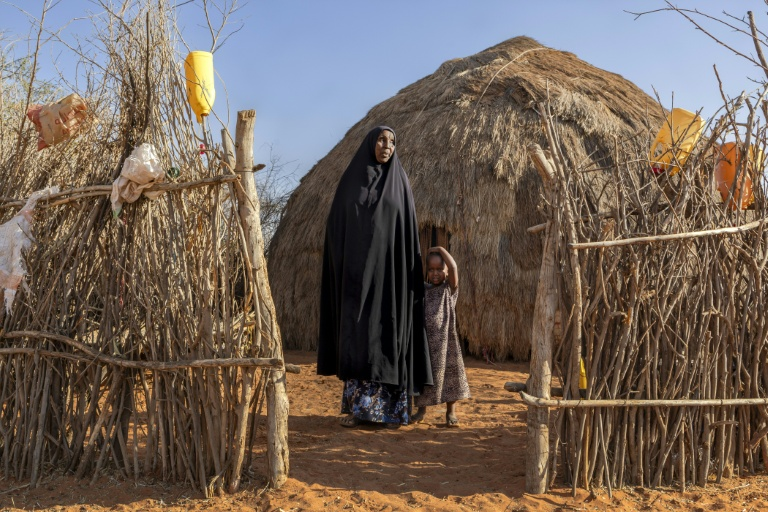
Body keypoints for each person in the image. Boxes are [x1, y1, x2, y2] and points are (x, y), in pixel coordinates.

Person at [317, 126, 432, 428]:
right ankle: (359, 410)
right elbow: (336, 229)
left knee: (388, 336)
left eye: (392, 142)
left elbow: (407, 236)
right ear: (371, 143)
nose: (387, 146)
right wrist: (347, 265)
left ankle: (392, 412)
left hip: (391, 281)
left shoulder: (400, 185)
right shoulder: (350, 184)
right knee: (360, 340)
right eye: (381, 140)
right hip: (356, 281)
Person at [411, 246, 470, 427]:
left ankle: (450, 412)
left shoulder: (449, 289)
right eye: (431, 269)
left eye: (439, 270)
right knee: (424, 377)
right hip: (426, 343)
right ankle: (421, 411)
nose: (435, 273)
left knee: (450, 377)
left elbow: (453, 268)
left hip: (446, 342)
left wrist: (440, 249)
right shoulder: (423, 289)